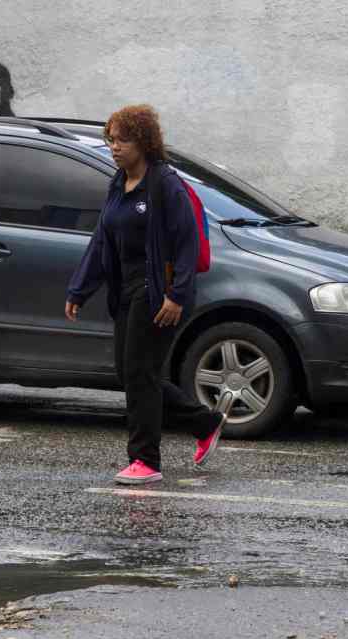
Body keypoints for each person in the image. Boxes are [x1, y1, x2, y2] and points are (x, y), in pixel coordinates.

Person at [65, 104, 225, 486]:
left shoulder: (164, 183)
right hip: (126, 288)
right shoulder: (118, 185)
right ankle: (204, 421)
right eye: (111, 140)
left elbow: (186, 242)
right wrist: (80, 288)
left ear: (144, 142)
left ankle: (145, 460)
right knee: (132, 372)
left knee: (139, 373)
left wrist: (177, 294)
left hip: (157, 291)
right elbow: (102, 239)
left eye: (122, 140)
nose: (114, 147)